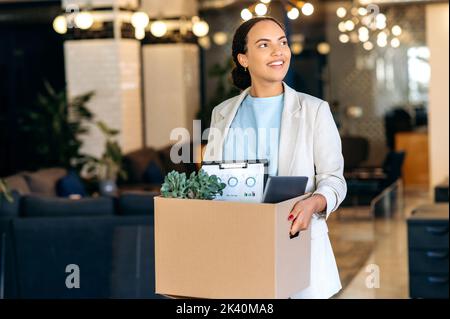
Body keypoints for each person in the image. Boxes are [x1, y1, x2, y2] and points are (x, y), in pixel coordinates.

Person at [203, 16, 347, 299]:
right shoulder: (222, 113)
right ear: (243, 58)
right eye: (264, 45)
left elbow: (334, 180)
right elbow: (212, 180)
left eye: (282, 43)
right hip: (241, 251)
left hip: (298, 247)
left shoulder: (314, 110)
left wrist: (313, 203)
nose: (278, 52)